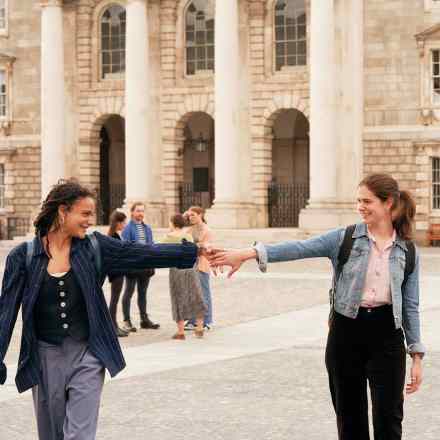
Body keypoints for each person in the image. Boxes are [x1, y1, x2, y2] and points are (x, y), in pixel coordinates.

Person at [208, 173, 425, 440]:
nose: (360, 207)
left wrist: (416, 356)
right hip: (346, 334)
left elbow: (410, 306)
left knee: (389, 421)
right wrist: (248, 253)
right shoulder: (344, 238)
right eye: (358, 200)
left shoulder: (408, 250)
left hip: (387, 337)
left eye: (367, 201)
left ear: (388, 202)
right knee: (350, 420)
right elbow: (299, 248)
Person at [0, 180, 200, 440]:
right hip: (44, 359)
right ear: (63, 212)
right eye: (84, 214)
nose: (89, 221)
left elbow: (141, 253)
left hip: (88, 355)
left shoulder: (94, 246)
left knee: (79, 437)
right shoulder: (23, 257)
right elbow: (6, 313)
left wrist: (192, 252)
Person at [161, 214, 206, 340]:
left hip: (176, 269)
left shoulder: (168, 237)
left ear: (172, 223)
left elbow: (159, 250)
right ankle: (199, 327)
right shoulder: (188, 236)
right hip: (191, 268)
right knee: (196, 295)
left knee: (177, 297)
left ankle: (180, 332)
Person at [121, 202, 159, 332]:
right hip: (133, 265)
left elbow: (151, 245)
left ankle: (144, 320)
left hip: (145, 264)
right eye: (138, 211)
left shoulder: (147, 228)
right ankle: (127, 321)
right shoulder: (127, 229)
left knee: (143, 293)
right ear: (132, 212)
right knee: (129, 292)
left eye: (142, 211)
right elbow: (126, 247)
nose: (140, 213)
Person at [185, 206, 214, 331]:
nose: (190, 217)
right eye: (189, 215)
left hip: (202, 264)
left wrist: (195, 245)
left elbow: (206, 247)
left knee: (204, 293)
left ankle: (207, 321)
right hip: (191, 264)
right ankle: (192, 321)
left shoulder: (206, 230)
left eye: (193, 215)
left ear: (200, 215)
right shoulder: (189, 230)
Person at [107, 210, 129, 337]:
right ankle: (112, 327)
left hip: (118, 271)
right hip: (116, 272)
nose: (125, 225)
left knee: (114, 300)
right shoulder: (113, 236)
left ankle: (114, 326)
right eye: (124, 222)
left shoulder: (115, 234)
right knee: (114, 300)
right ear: (118, 222)